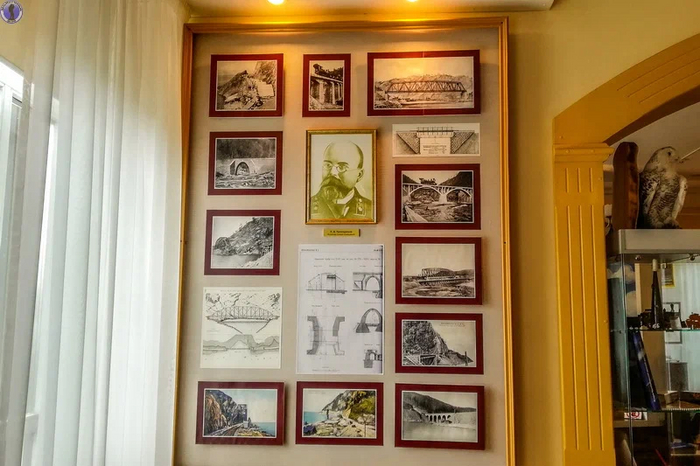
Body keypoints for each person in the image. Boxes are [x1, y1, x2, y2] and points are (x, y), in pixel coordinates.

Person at [310, 141, 372, 220]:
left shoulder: (371, 210)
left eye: (342, 167)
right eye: (328, 165)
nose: (332, 172)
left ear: (359, 175)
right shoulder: (307, 207)